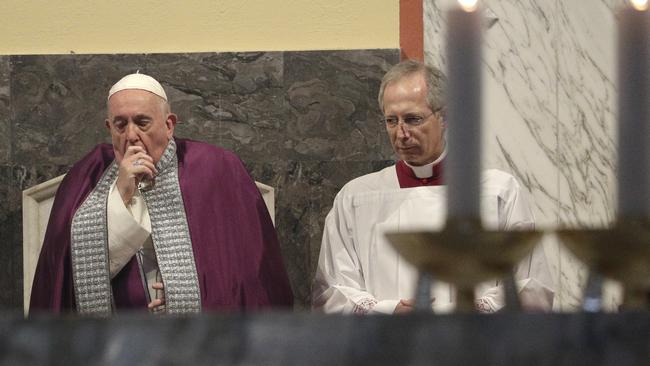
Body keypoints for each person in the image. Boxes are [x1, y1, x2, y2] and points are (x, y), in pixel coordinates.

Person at [30, 73, 293, 315]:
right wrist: (120, 193)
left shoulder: (217, 170)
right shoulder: (86, 177)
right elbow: (66, 273)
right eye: (120, 125)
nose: (131, 135)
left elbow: (250, 274)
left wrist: (192, 298)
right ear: (108, 127)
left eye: (142, 122)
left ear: (169, 125)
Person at [312, 60, 554, 314]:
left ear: (445, 117)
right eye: (391, 121)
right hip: (388, 345)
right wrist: (389, 310)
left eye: (412, 119)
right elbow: (331, 289)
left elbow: (529, 284)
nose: (401, 133)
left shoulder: (498, 191)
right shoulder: (356, 197)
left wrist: (464, 312)